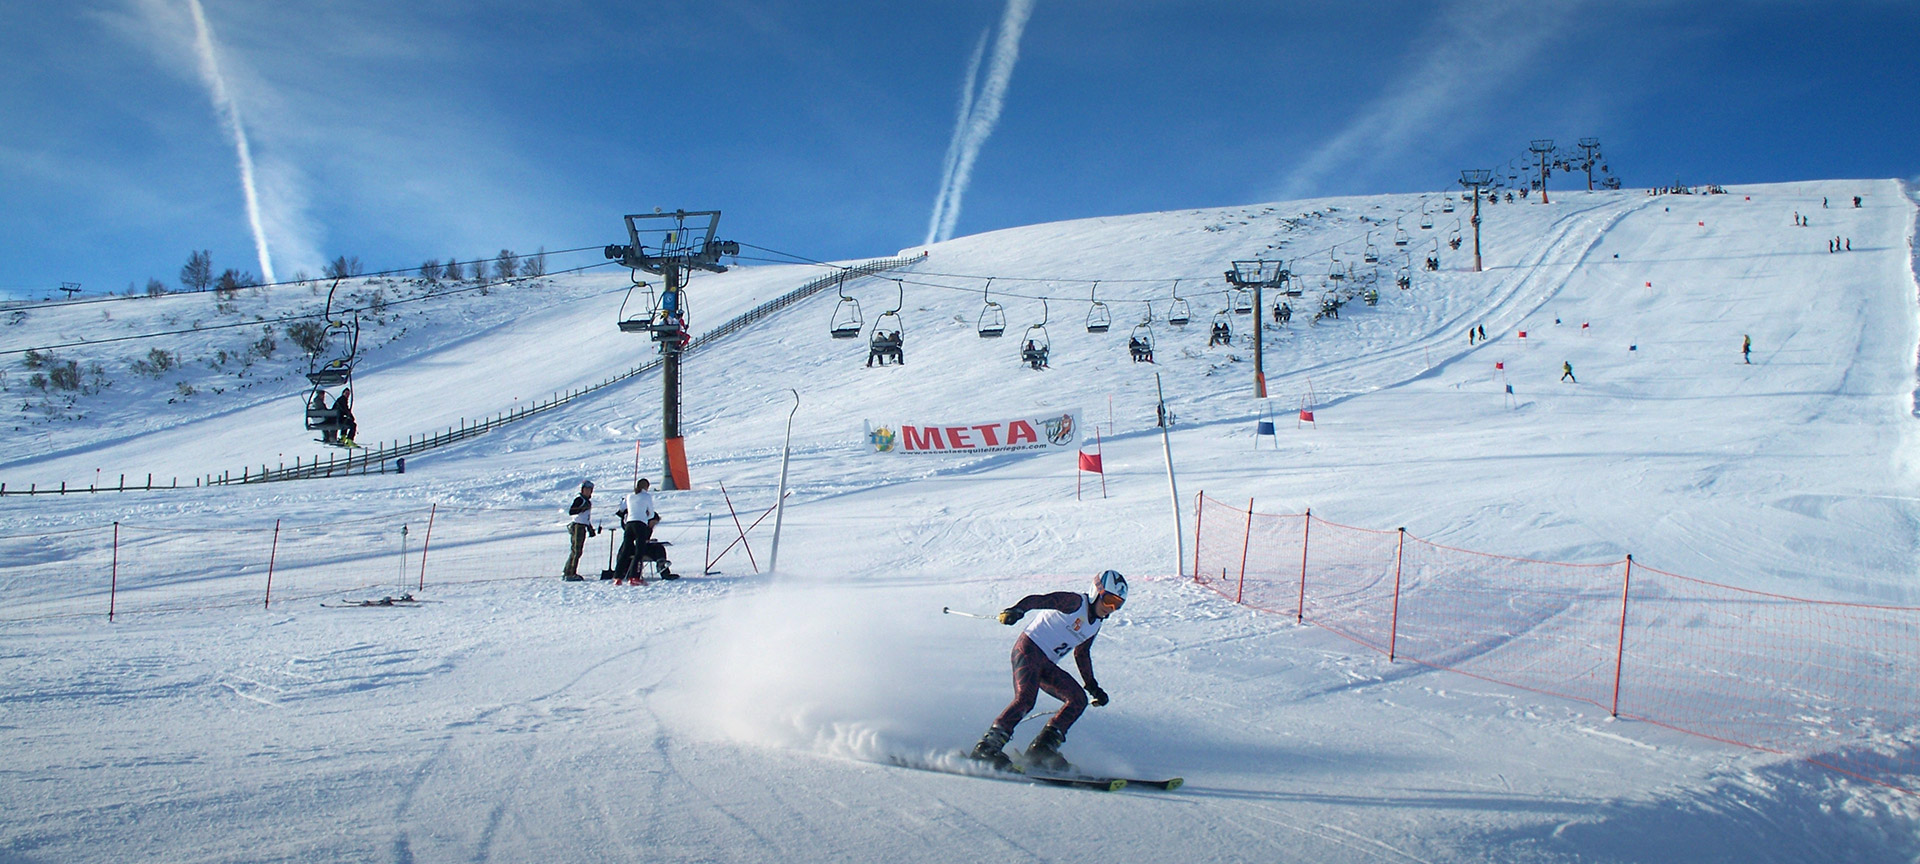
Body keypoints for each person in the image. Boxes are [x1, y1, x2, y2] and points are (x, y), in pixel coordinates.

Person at [969, 570, 1128, 772]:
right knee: (1026, 699)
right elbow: (1039, 600)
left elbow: (1082, 654)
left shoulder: (1095, 625)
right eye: (1109, 600)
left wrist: (1093, 687)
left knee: (1078, 700)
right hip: (1028, 651)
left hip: (1045, 664)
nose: (1111, 608)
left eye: (1118, 605)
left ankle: (1041, 751)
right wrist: (1017, 610)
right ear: (1096, 591)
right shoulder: (1074, 603)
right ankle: (986, 748)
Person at [613, 479, 656, 585]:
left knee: (626, 550)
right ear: (646, 487)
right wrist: (646, 516)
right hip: (640, 524)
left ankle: (617, 576)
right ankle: (634, 576)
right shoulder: (647, 496)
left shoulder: (629, 496)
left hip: (629, 524)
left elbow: (622, 509)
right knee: (639, 551)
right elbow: (651, 513)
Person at [562, 480, 597, 581]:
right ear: (582, 490)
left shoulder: (587, 501)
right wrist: (582, 508)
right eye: (587, 490)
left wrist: (590, 528)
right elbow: (572, 511)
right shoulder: (579, 499)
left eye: (590, 490)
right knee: (576, 551)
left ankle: (568, 571)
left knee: (576, 550)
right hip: (577, 526)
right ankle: (570, 573)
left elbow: (585, 517)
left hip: (582, 526)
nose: (589, 492)